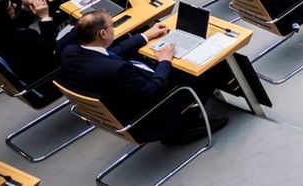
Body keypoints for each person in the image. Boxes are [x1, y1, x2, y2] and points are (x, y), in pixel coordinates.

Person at [58, 11, 230, 144]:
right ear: (103, 34)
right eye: (112, 25)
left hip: (122, 106)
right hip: (149, 115)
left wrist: (146, 35)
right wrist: (164, 61)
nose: (114, 28)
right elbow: (153, 90)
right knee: (210, 68)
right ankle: (181, 127)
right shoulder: (117, 70)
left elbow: (113, 52)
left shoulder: (70, 52)